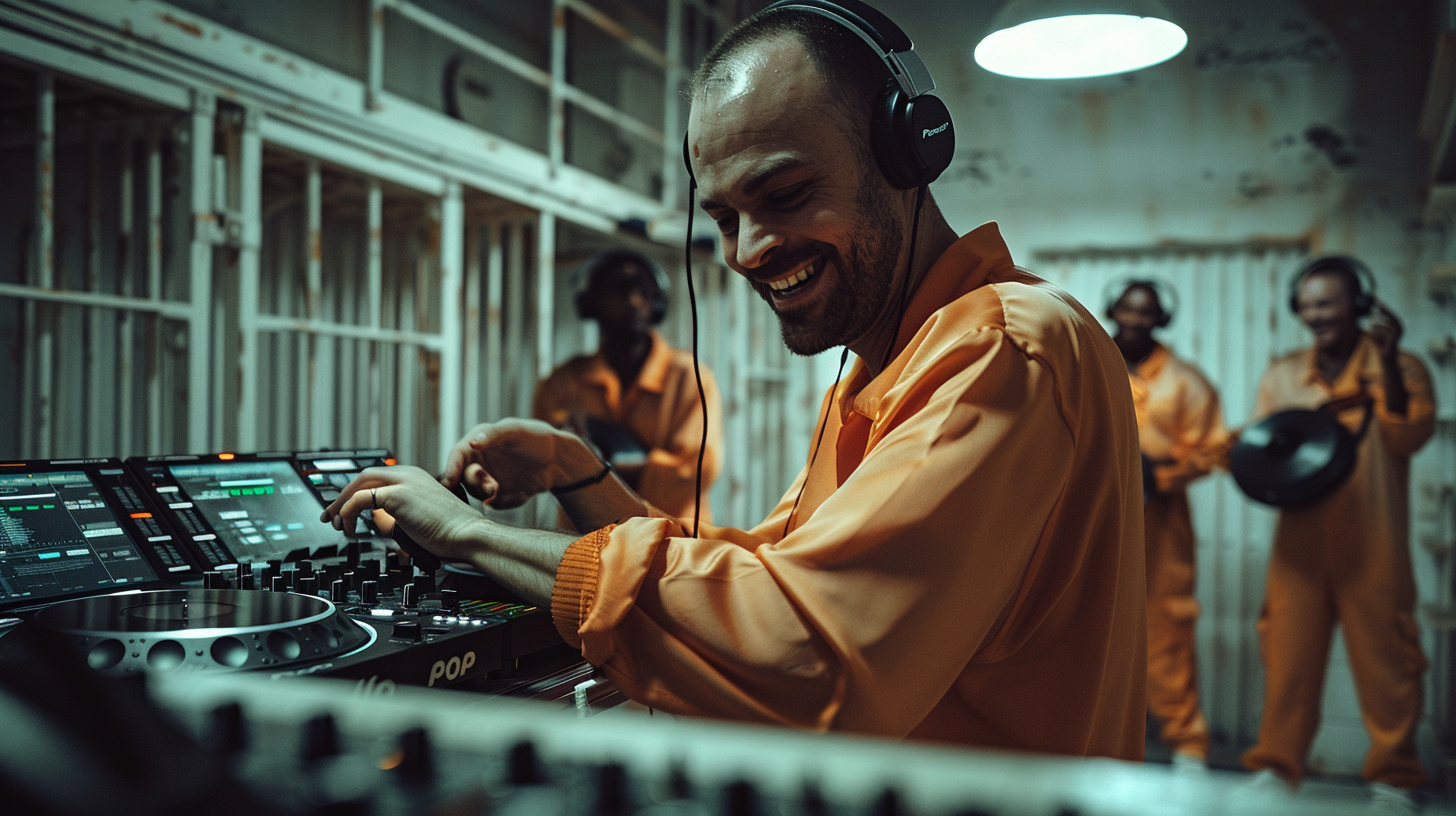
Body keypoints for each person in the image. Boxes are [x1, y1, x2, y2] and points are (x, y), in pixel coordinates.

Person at [323, 1, 1146, 758]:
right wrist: (582, 473)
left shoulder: (1000, 347)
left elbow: (806, 645)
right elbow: (771, 570)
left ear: (906, 153)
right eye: (721, 217)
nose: (748, 250)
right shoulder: (886, 366)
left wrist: (469, 532)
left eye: (784, 194)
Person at [1240, 257, 1435, 807]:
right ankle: (1277, 767)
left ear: (1361, 304)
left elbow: (1409, 436)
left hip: (1373, 540)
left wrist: (1390, 364)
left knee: (1388, 661)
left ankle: (1395, 779)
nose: (1315, 314)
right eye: (1306, 304)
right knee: (1286, 658)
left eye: (1327, 302)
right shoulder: (1282, 375)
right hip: (1298, 542)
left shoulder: (1405, 367)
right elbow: (1263, 450)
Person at [1107, 281, 1226, 767]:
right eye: (1127, 310)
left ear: (1162, 319)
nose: (1135, 320)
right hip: (1093, 518)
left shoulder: (1185, 381)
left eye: (1146, 313)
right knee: (1083, 625)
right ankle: (1089, 743)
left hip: (1160, 530)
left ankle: (1187, 747)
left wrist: (1156, 472)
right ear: (1113, 310)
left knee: (1165, 631)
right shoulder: (1089, 361)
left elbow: (1212, 449)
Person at [532, 249, 723, 524]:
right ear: (591, 303)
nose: (634, 301)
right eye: (620, 291)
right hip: (586, 538)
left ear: (657, 304)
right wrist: (644, 468)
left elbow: (698, 470)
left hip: (673, 541)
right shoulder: (563, 382)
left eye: (644, 292)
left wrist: (595, 465)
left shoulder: (691, 377)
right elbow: (546, 461)